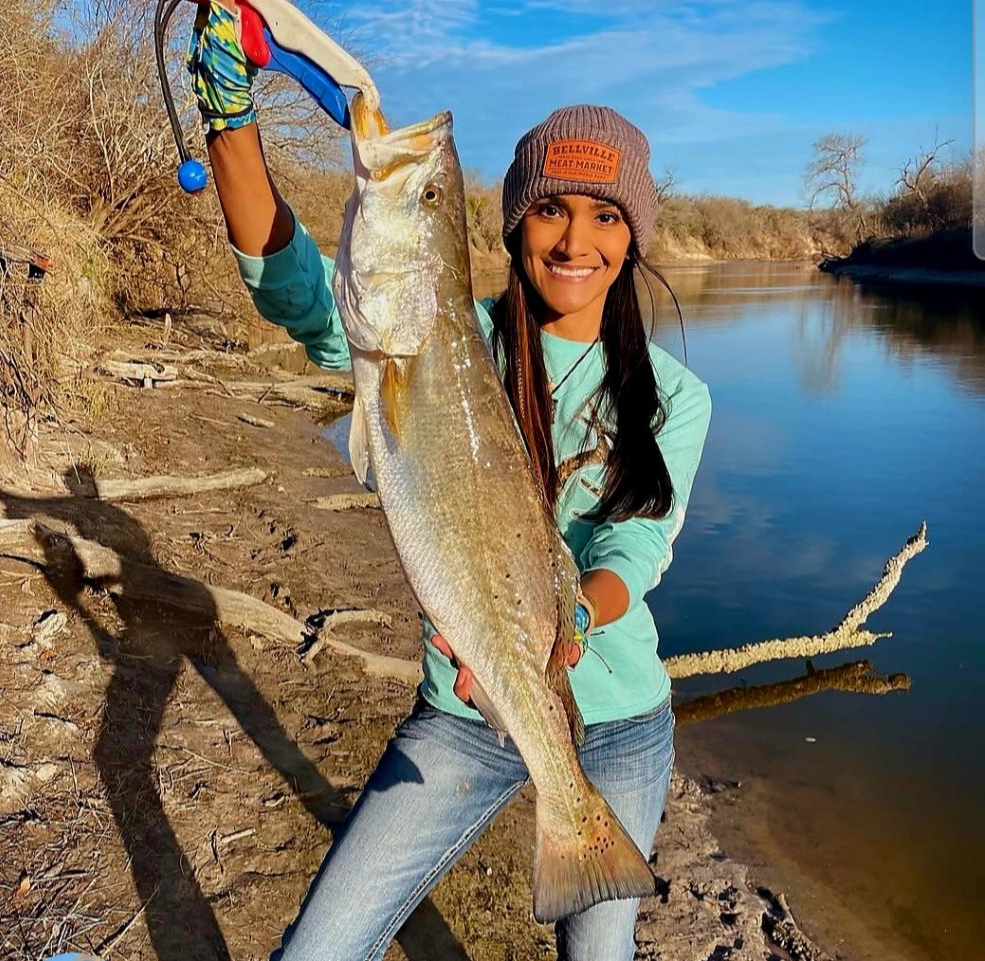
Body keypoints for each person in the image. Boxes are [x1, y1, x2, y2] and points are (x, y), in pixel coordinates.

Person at [186, 4, 712, 960]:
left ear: (633, 237)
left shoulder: (677, 395)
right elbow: (295, 287)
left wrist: (573, 623)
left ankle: (572, 820)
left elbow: (637, 544)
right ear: (514, 224)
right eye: (550, 207)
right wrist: (231, 123)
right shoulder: (436, 335)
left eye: (605, 216)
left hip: (619, 718)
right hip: (464, 713)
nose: (574, 239)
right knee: (318, 948)